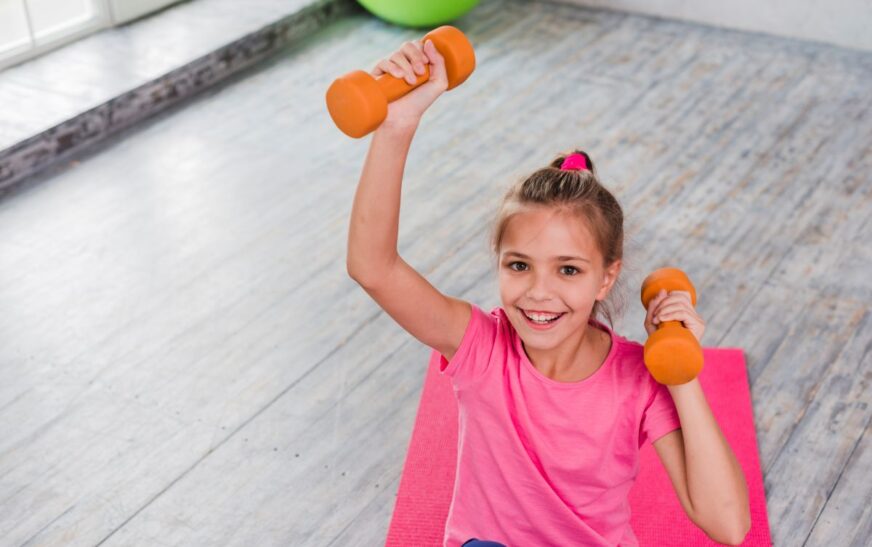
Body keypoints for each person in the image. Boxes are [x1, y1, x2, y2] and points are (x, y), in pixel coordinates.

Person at [346, 37, 751, 547]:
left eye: (568, 271)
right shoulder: (482, 349)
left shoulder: (639, 379)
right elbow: (373, 268)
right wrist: (396, 127)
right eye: (520, 265)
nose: (539, 293)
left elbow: (729, 524)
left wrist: (682, 374)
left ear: (606, 277)